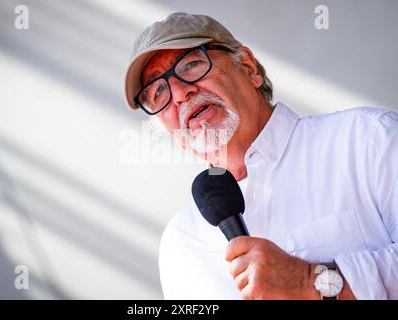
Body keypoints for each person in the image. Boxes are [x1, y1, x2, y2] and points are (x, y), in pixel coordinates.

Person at [124, 12, 398, 299]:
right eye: (157, 92)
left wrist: (309, 281)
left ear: (248, 66)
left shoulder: (367, 139)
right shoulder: (181, 243)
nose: (179, 93)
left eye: (191, 64)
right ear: (171, 132)